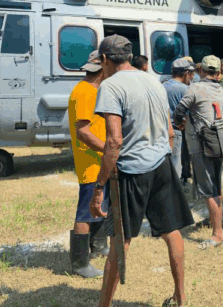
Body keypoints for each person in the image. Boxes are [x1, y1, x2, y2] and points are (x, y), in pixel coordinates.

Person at [90, 35, 194, 307]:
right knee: (172, 232)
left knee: (120, 241)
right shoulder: (153, 80)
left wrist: (99, 187)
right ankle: (181, 296)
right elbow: (170, 132)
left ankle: (104, 305)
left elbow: (113, 141)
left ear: (104, 60)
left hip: (131, 171)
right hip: (161, 165)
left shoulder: (110, 86)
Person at [173, 55, 223, 249]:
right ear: (218, 73)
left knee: (209, 190)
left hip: (202, 144)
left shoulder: (195, 88)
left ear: (201, 71)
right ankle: (213, 222)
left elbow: (179, 110)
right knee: (216, 186)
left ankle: (217, 234)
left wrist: (180, 123)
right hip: (220, 142)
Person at [67, 50, 109, 279]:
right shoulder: (84, 92)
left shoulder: (94, 90)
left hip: (101, 161)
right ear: (102, 69)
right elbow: (83, 132)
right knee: (85, 212)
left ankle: (99, 246)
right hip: (91, 163)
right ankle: (80, 263)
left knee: (102, 204)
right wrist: (107, 149)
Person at [163, 58, 195, 181]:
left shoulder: (163, 85)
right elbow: (187, 115)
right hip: (176, 130)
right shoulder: (185, 89)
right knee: (176, 163)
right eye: (191, 74)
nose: (192, 77)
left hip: (162, 130)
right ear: (186, 73)